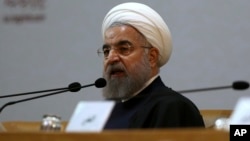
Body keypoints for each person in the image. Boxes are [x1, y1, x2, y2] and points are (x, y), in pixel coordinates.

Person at [97, 2, 205, 129]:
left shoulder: (172, 107)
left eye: (124, 49)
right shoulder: (105, 110)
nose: (111, 58)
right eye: (106, 51)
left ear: (151, 57)